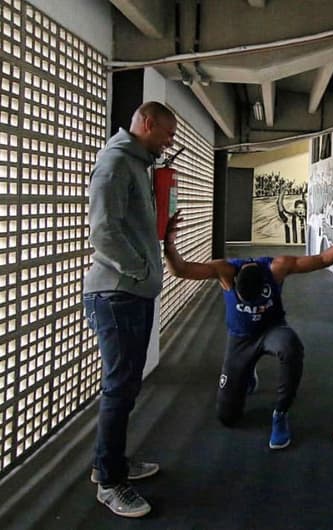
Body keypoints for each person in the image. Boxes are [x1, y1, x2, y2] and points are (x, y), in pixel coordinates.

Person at [163, 209, 333, 449]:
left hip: (272, 331)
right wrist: (169, 245)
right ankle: (246, 373)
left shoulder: (277, 268)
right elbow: (180, 270)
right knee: (227, 417)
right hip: (241, 339)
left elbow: (320, 260)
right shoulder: (224, 271)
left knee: (291, 347)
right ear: (233, 283)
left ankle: (280, 413)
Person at [82, 101, 177, 518]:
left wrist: (162, 230)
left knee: (127, 385)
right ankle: (109, 481)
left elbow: (130, 224)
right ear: (147, 124)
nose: (168, 143)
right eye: (166, 135)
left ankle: (112, 462)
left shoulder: (138, 164)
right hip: (117, 293)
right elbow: (103, 232)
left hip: (131, 292)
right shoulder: (115, 162)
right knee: (120, 387)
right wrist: (139, 269)